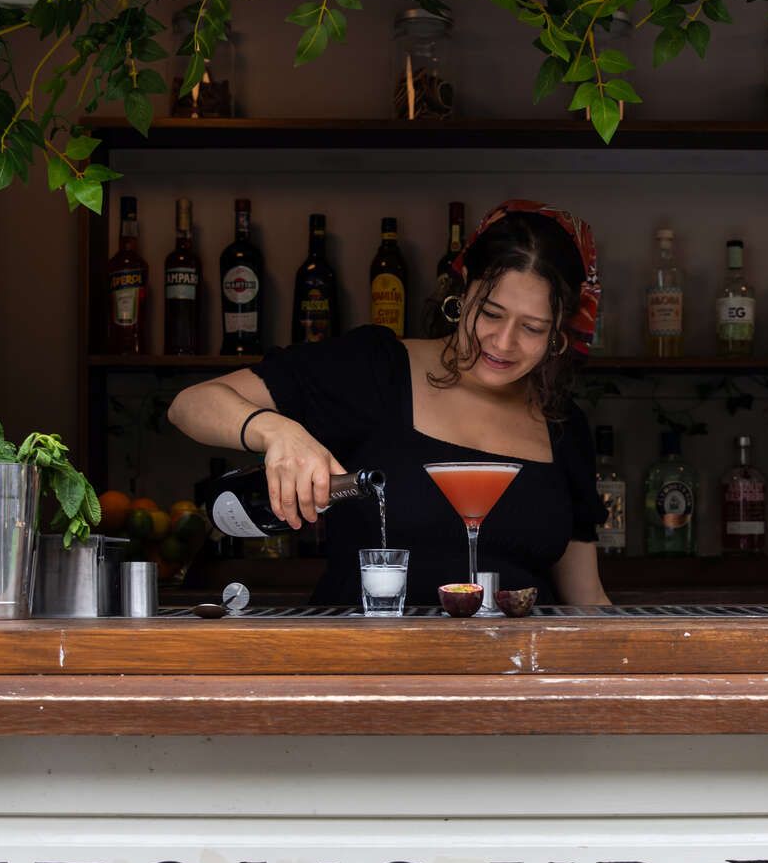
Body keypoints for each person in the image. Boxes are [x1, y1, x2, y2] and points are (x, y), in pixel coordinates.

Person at [168, 200, 611, 608]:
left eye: (532, 328)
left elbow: (586, 597)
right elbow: (191, 404)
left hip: (515, 678)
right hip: (365, 671)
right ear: (462, 293)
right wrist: (279, 431)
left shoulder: (560, 423)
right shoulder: (376, 368)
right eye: (490, 313)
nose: (503, 342)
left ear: (557, 333)